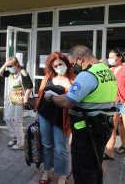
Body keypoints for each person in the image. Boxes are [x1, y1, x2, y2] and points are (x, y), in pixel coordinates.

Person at [43, 45, 117, 184]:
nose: (71, 67)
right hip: (103, 125)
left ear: (79, 59)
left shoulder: (87, 75)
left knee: (83, 170)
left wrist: (51, 98)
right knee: (95, 165)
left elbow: (68, 102)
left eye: (72, 63)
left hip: (87, 130)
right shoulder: (106, 71)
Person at [35, 52, 74, 184]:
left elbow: (76, 97)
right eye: (55, 65)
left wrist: (68, 85)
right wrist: (37, 112)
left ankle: (63, 174)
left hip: (61, 117)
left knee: (61, 148)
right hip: (45, 114)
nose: (58, 67)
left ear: (66, 64)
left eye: (60, 64)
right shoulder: (48, 77)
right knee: (47, 145)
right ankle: (47, 171)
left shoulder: (73, 78)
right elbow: (40, 94)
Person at [0, 56, 33, 150]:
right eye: (8, 66)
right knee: (8, 118)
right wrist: (6, 64)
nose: (9, 67)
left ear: (17, 65)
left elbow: (29, 87)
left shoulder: (22, 72)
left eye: (11, 65)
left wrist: (25, 99)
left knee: (18, 121)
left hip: (20, 100)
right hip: (12, 99)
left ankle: (21, 143)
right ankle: (15, 137)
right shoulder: (10, 72)